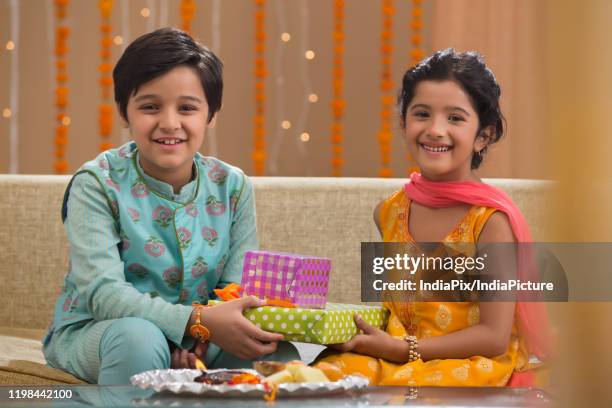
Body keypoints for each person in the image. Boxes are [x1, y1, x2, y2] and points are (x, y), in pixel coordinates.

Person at [43, 27, 298, 385]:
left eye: (187, 108)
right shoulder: (96, 184)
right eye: (150, 106)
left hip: (206, 335)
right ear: (124, 112)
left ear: (210, 115)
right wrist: (194, 323)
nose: (169, 123)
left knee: (277, 350)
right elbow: (105, 296)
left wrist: (204, 335)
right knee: (139, 339)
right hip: (103, 332)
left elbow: (236, 286)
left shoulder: (232, 186)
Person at [316, 49, 551, 386]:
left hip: (469, 366)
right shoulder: (389, 211)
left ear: (483, 135)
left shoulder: (490, 222)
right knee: (322, 374)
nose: (435, 130)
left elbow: (494, 337)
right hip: (399, 357)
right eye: (422, 114)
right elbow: (399, 313)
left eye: (455, 118)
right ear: (404, 123)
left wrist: (402, 349)